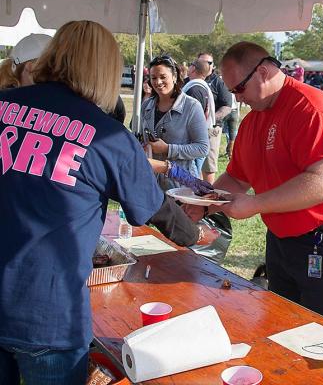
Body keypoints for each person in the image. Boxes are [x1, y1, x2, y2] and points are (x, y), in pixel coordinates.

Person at [0, 20, 200, 385]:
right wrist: (195, 234)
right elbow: (153, 207)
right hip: (49, 314)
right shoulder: (107, 135)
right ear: (105, 70)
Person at [186, 41, 323, 333]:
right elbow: (237, 178)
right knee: (283, 326)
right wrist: (204, 204)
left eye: (239, 89)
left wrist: (255, 204)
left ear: (262, 72)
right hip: (284, 242)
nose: (237, 99)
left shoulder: (311, 108)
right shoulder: (253, 121)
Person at [138, 54, 209, 191]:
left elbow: (202, 148)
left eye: (163, 77)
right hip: (150, 184)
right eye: (153, 78)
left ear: (175, 77)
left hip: (181, 185)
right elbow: (142, 137)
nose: (158, 82)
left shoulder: (192, 106)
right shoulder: (146, 106)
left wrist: (167, 149)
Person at [198, 52, 232, 183]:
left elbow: (227, 106)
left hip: (211, 129)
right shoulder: (191, 80)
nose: (206, 65)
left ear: (213, 65)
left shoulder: (218, 82)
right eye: (201, 62)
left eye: (209, 63)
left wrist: (210, 119)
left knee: (208, 166)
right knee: (193, 164)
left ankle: (207, 195)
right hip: (190, 129)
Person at [182, 59, 216, 174]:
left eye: (190, 64)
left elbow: (194, 118)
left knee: (193, 174)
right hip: (200, 136)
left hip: (194, 139)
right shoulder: (201, 87)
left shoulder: (194, 90)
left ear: (193, 69)